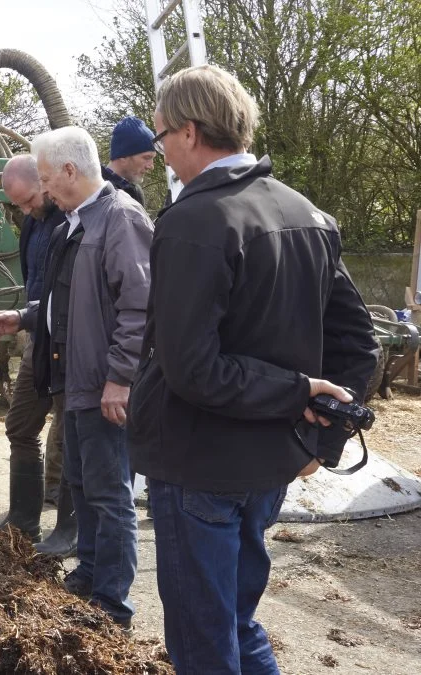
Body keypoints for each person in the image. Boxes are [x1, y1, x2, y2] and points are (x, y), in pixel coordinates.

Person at [128, 64, 379, 673]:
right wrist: (324, 434)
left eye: (160, 139)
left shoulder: (192, 222)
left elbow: (191, 369)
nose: (161, 155)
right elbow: (360, 343)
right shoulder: (307, 214)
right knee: (235, 622)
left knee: (203, 635)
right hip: (272, 463)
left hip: (200, 467)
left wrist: (302, 400)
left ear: (188, 132)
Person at [32, 125, 152, 630]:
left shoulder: (121, 219)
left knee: (110, 494)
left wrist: (120, 378)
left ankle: (113, 602)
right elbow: (70, 301)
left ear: (68, 170)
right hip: (76, 382)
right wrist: (23, 317)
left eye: (45, 178)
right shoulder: (76, 223)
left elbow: (139, 306)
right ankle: (91, 571)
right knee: (80, 486)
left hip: (105, 385)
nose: (44, 190)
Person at [0, 154, 66, 541]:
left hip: (70, 342)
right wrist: (22, 317)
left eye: (29, 200)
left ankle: (70, 527)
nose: (25, 210)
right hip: (38, 338)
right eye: (18, 205)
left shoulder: (72, 221)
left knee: (73, 436)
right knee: (21, 425)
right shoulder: (33, 224)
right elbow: (37, 288)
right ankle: (23, 520)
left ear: (45, 182)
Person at [102, 116, 156, 206]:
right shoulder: (96, 192)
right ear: (123, 156)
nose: (151, 166)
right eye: (146, 158)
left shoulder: (135, 192)